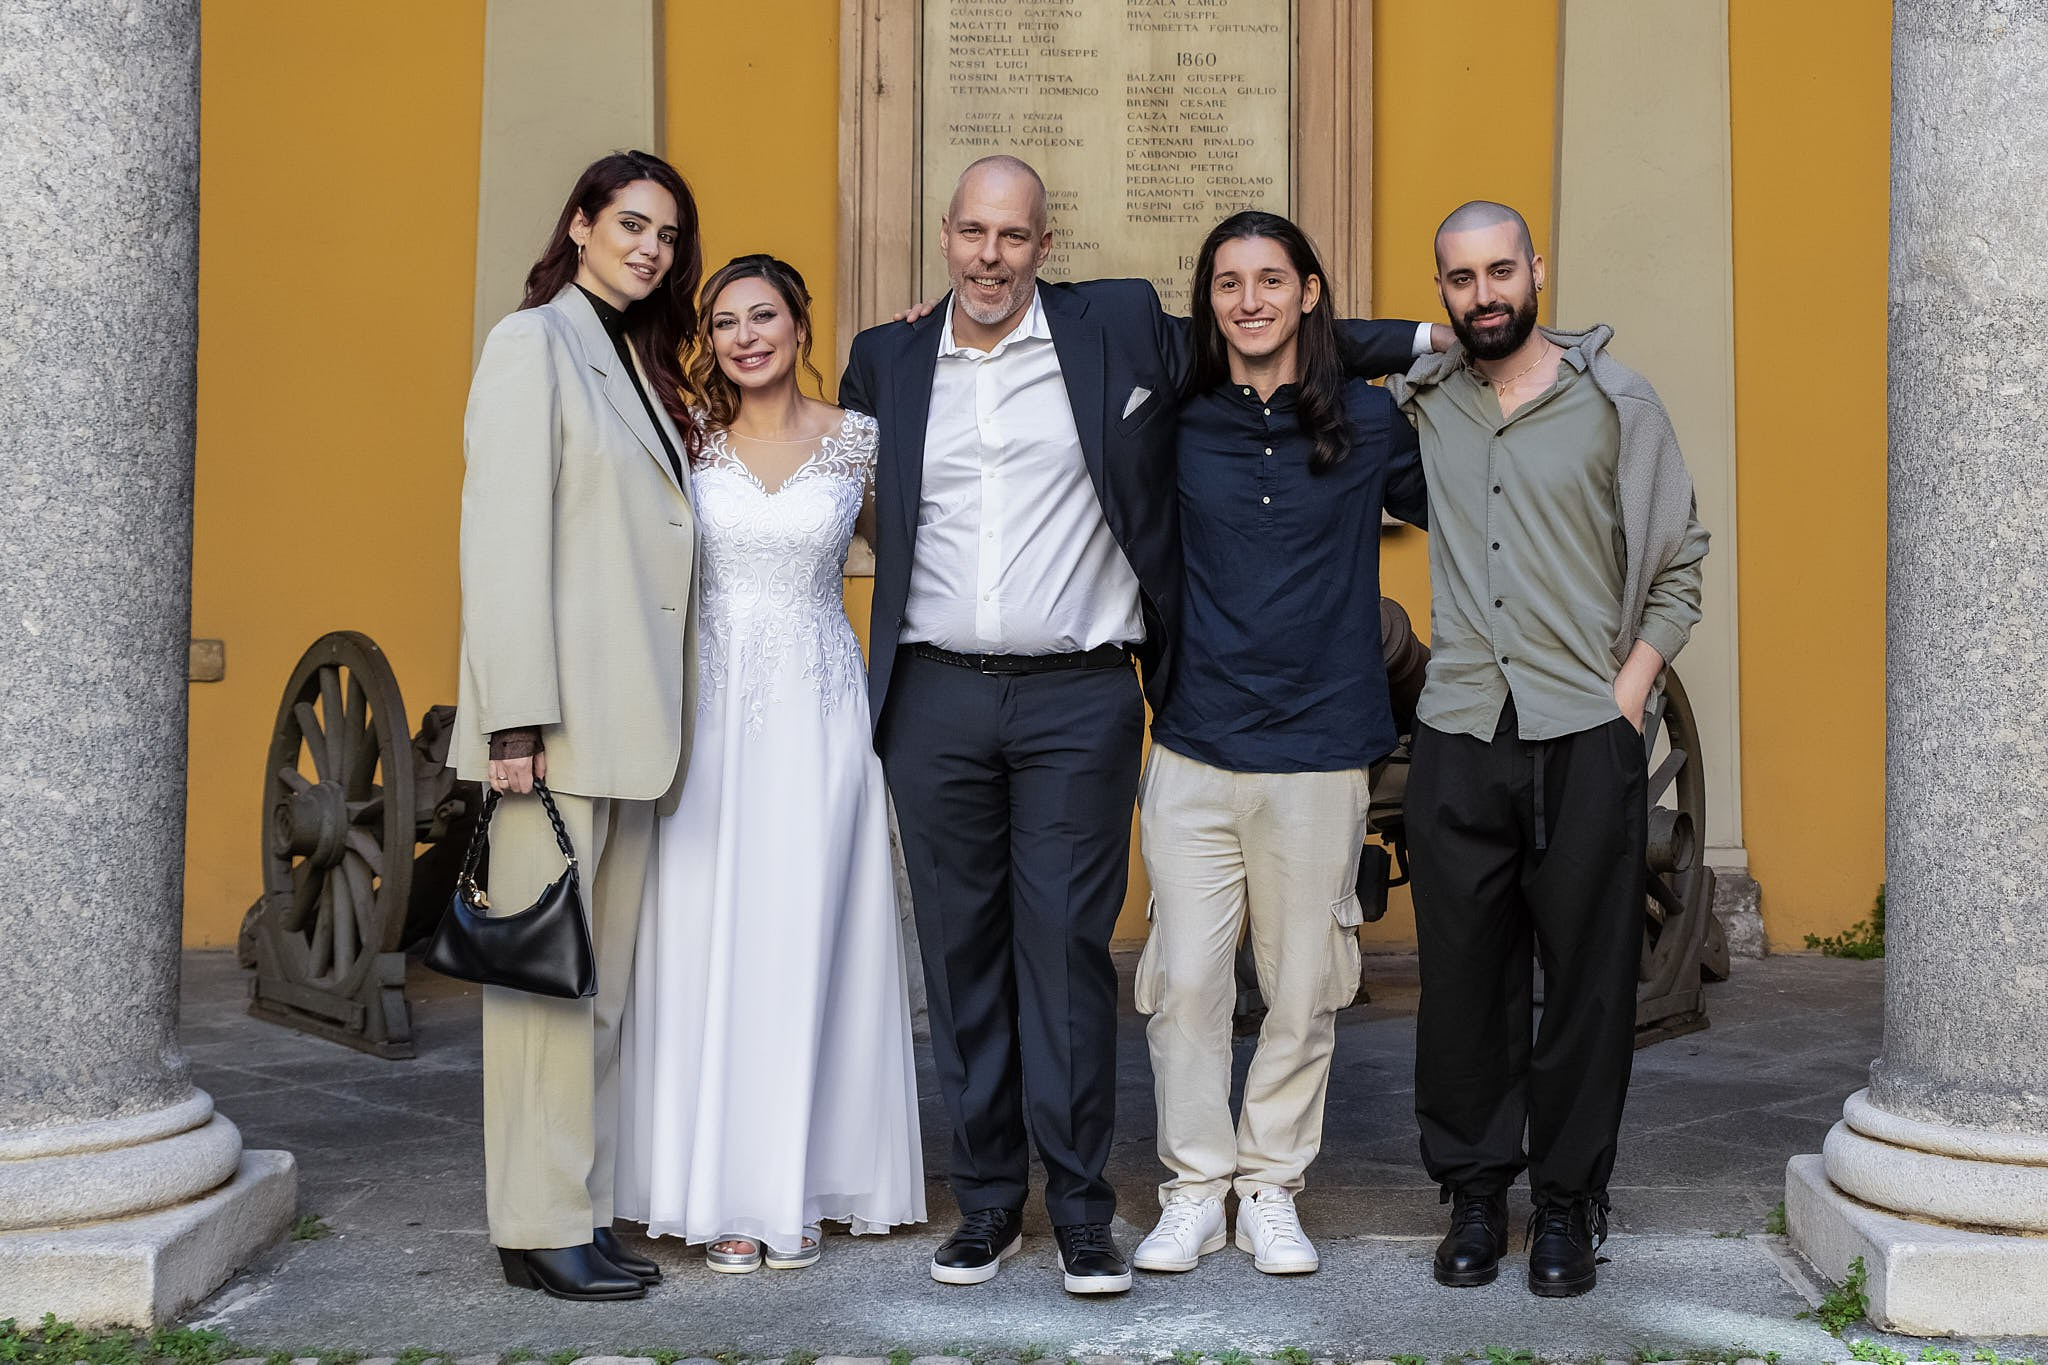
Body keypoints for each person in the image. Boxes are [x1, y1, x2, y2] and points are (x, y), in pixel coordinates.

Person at [837, 154, 1433, 1295]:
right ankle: (984, 1203)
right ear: (944, 235)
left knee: (1068, 956)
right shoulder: (886, 358)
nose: (989, 255)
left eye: (1012, 237)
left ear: (1043, 247)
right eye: (971, 233)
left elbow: (1268, 331)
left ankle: (1078, 1210)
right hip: (934, 694)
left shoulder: (1110, 327)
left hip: (1079, 691)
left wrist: (1423, 339)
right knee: (961, 958)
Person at [1388, 200, 1708, 1297]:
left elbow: (1677, 563)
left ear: (1536, 269)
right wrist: (1409, 345)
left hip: (1583, 733)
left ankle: (1568, 1206)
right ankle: (1476, 1195)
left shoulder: (1616, 403)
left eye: (1498, 272)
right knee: (1462, 984)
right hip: (1461, 730)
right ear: (1440, 294)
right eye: (1459, 279)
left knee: (1582, 983)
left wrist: (1628, 694)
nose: (1483, 295)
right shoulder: (1421, 402)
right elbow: (1301, 354)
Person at [612, 254, 926, 1272]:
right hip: (708, 716)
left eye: (765, 316)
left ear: (800, 324)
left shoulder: (858, 441)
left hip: (820, 714)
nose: (746, 336)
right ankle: (722, 1193)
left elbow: (920, 553)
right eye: (726, 321)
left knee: (806, 934)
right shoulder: (683, 438)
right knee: (709, 938)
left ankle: (800, 1179)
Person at [1130, 211, 1427, 1279]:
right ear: (1204, 302)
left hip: (1319, 747)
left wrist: (1432, 345)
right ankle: (1193, 1190)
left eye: (1270, 280)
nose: (1248, 301)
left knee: (1303, 988)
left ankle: (1268, 1187)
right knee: (1185, 985)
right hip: (1195, 745)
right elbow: (1092, 333)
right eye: (1225, 284)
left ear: (1309, 291)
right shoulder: (1174, 417)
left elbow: (1481, 496)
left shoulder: (1366, 419)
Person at [453, 149, 704, 1302]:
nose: (649, 249)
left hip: (632, 730)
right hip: (550, 737)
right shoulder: (533, 343)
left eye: (664, 236)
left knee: (592, 994)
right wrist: (512, 723)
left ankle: (579, 1212)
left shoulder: (635, 360)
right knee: (541, 993)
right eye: (632, 226)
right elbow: (501, 542)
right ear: (581, 225)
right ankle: (537, 1223)